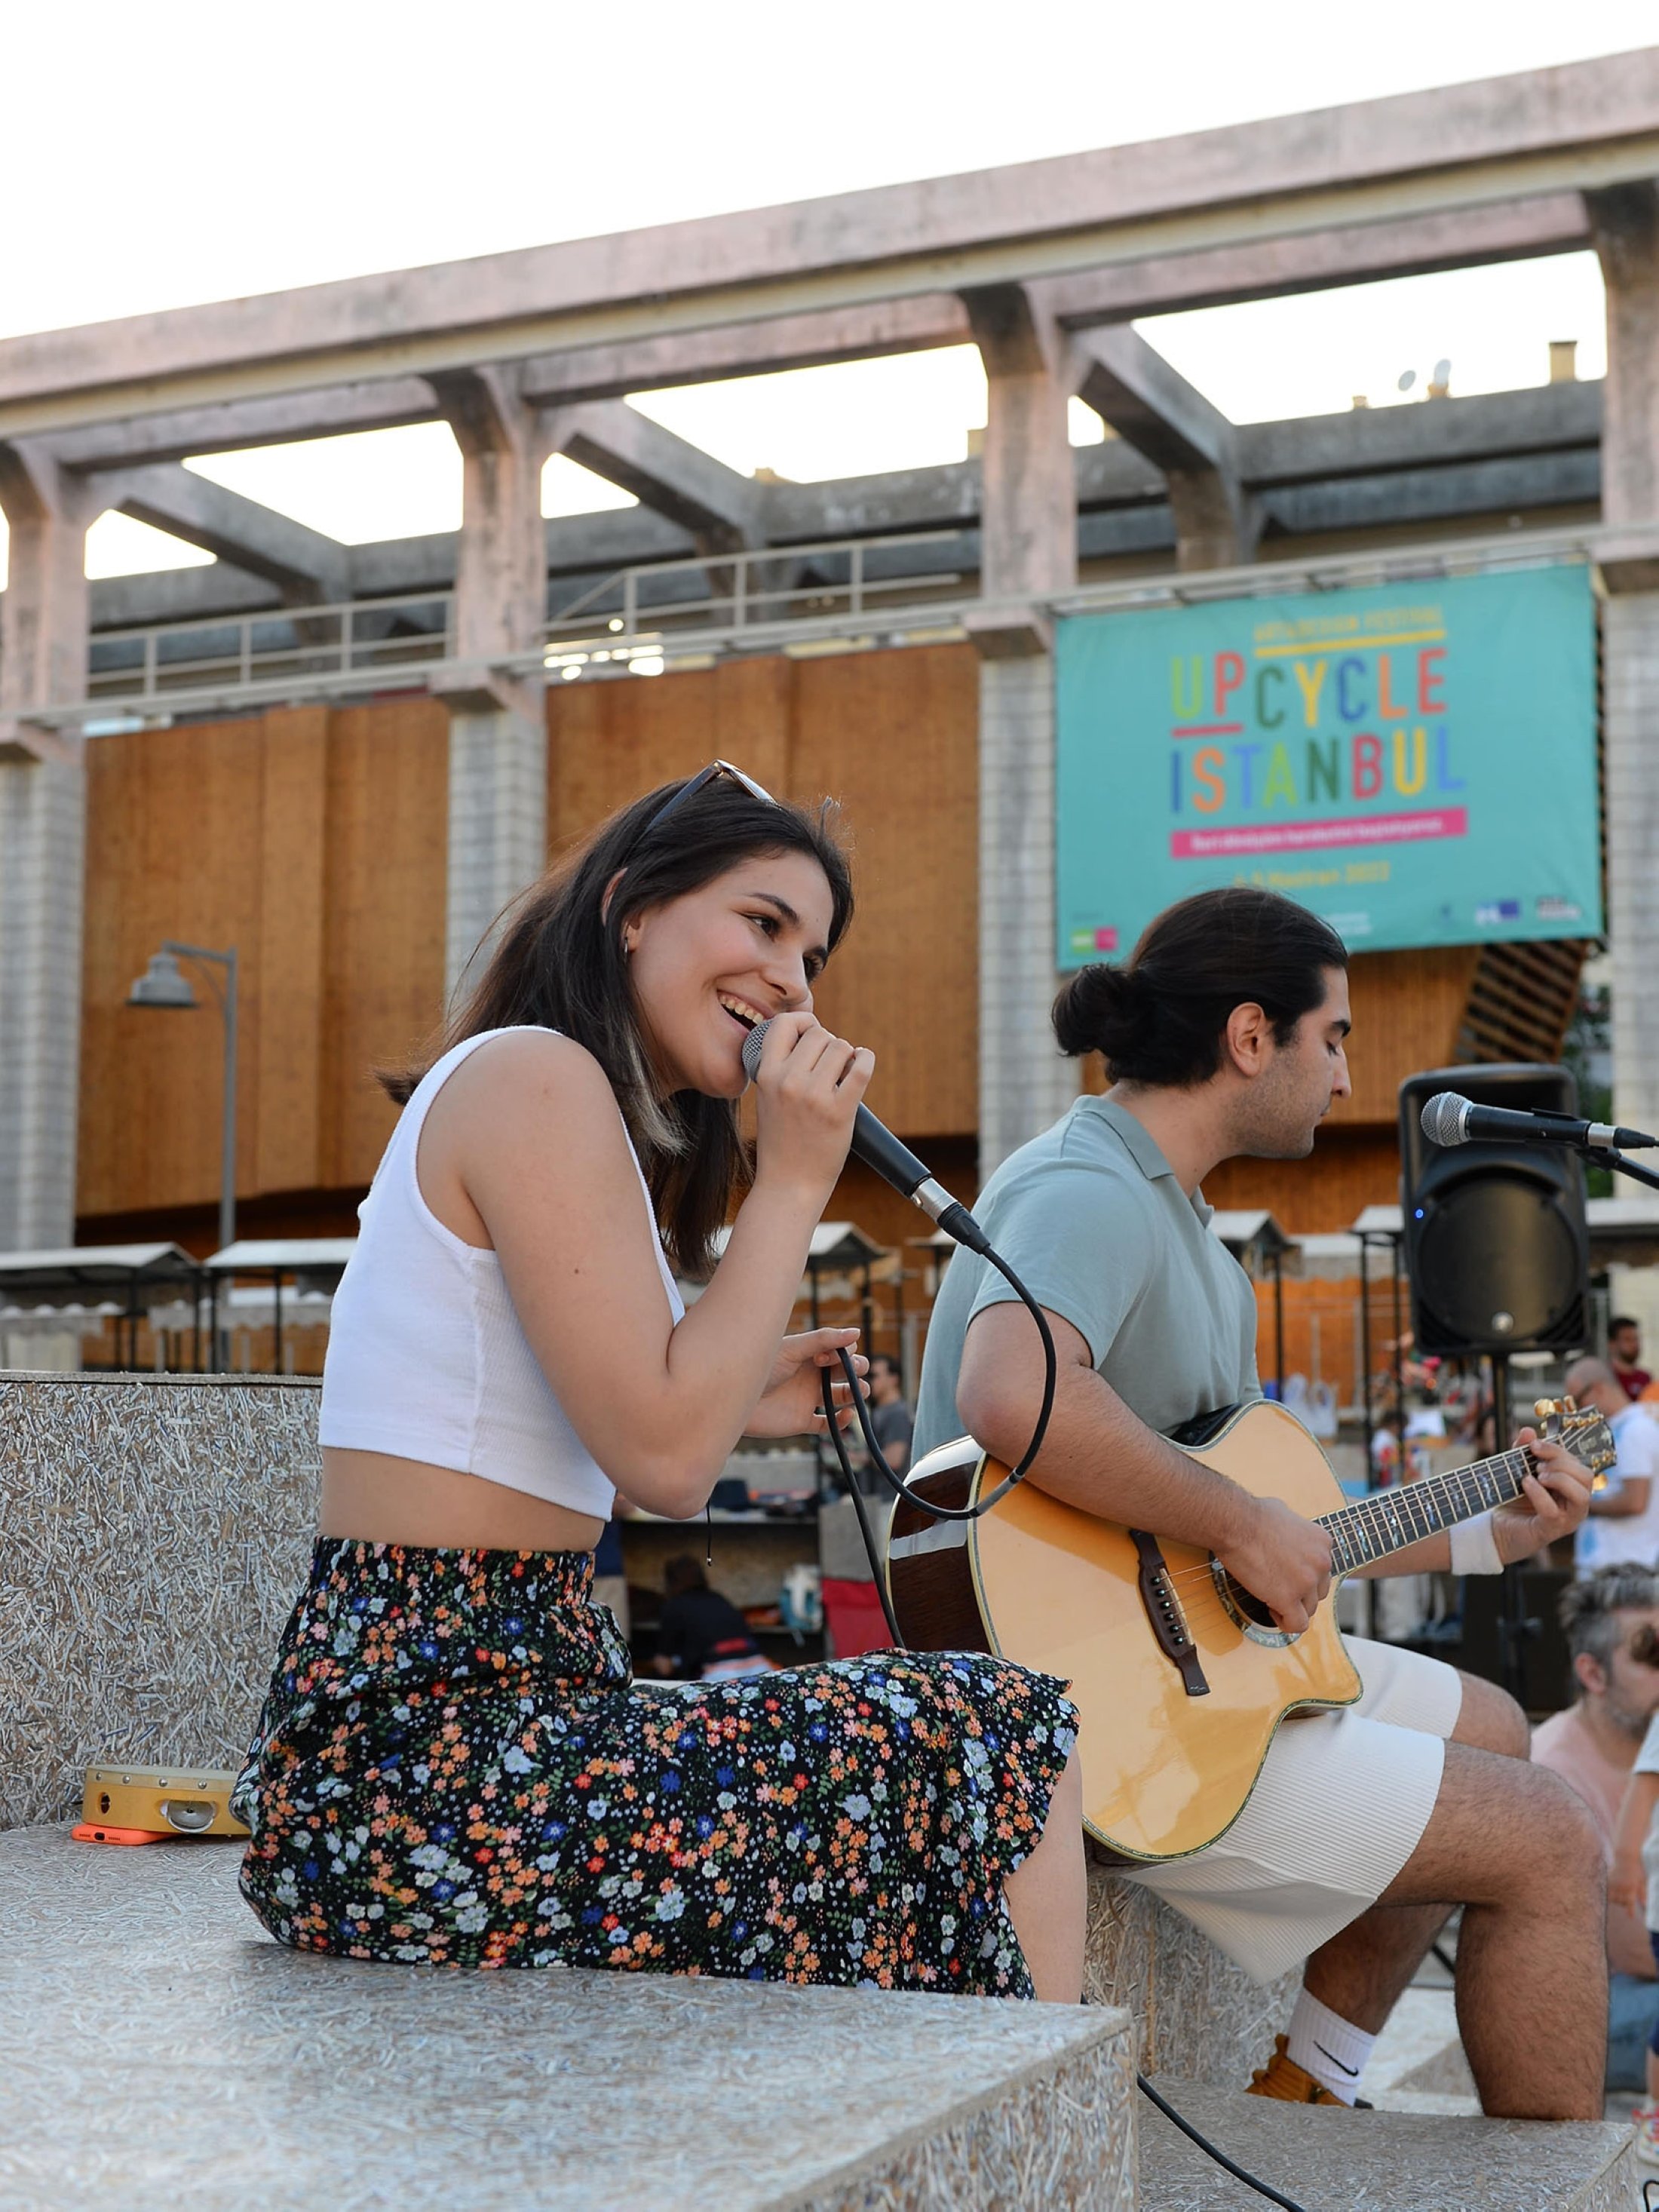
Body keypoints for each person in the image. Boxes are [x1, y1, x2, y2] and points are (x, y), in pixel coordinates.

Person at [233, 764, 1083, 1999]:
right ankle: (1042, 2156)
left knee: (955, 1757)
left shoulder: (574, 1109)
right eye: (763, 923)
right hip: (416, 1772)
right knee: (1001, 1733)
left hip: (491, 1727)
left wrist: (734, 1389)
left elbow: (570, 1438)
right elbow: (669, 1464)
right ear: (632, 906)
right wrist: (795, 1178)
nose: (791, 981)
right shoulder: (535, 1074)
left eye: (814, 956)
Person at [913, 885, 1603, 2118]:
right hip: (1093, 1718)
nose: (1346, 1075)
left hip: (1188, 1672)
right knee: (1554, 1833)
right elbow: (1014, 1393)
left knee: (1495, 1724)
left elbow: (1284, 1536)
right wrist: (1235, 1522)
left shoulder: (1183, 1224)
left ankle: (1312, 2084)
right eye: (1332, 1034)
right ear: (1248, 1036)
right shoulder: (1089, 1186)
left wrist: (1501, 1528)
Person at [1532, 1569, 1659, 2091]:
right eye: (1650, 1655)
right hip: (1598, 2006)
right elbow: (1633, 1948)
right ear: (1594, 1673)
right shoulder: (1552, 1774)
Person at [1566, 1358, 1659, 1575]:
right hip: (1613, 1564)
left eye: (1577, 1401)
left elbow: (1635, 1501)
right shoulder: (1625, 1428)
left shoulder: (1635, 1429)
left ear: (1598, 1389)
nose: (1577, 1411)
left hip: (1624, 1567)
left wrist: (1580, 1505)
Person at [649, 1554, 769, 1680]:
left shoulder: (674, 1606)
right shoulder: (719, 1599)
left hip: (720, 1675)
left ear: (670, 1582)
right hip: (759, 1668)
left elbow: (664, 1667)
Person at [860, 1351, 913, 1483]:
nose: (869, 1381)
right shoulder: (880, 1411)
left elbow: (894, 1459)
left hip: (887, 1498)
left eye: (874, 1376)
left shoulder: (897, 1413)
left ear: (893, 1379)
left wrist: (856, 1457)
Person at [1610, 1317, 1653, 1404]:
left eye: (1636, 1339)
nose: (1634, 1344)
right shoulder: (1607, 1378)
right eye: (1627, 1339)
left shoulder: (1645, 1377)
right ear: (1612, 1344)